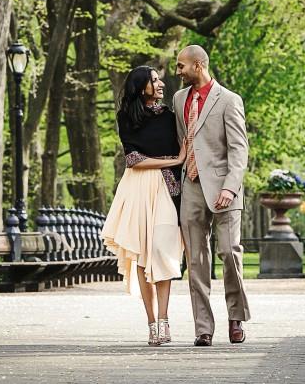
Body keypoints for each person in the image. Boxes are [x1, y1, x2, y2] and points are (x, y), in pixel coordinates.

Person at [101, 66, 185, 347]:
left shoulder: (170, 117)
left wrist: (177, 161)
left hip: (166, 189)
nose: (161, 84)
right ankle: (151, 324)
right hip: (137, 188)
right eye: (155, 80)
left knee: (162, 249)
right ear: (142, 87)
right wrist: (173, 160)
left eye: (159, 79)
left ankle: (165, 319)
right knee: (141, 253)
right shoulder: (126, 116)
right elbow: (134, 159)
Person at [173, 44, 251, 347]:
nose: (177, 71)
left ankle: (236, 318)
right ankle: (203, 328)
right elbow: (184, 141)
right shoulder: (179, 99)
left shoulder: (229, 100)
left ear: (198, 64)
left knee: (230, 253)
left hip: (224, 188)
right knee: (196, 260)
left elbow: (238, 148)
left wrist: (230, 187)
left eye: (181, 66)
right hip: (190, 185)